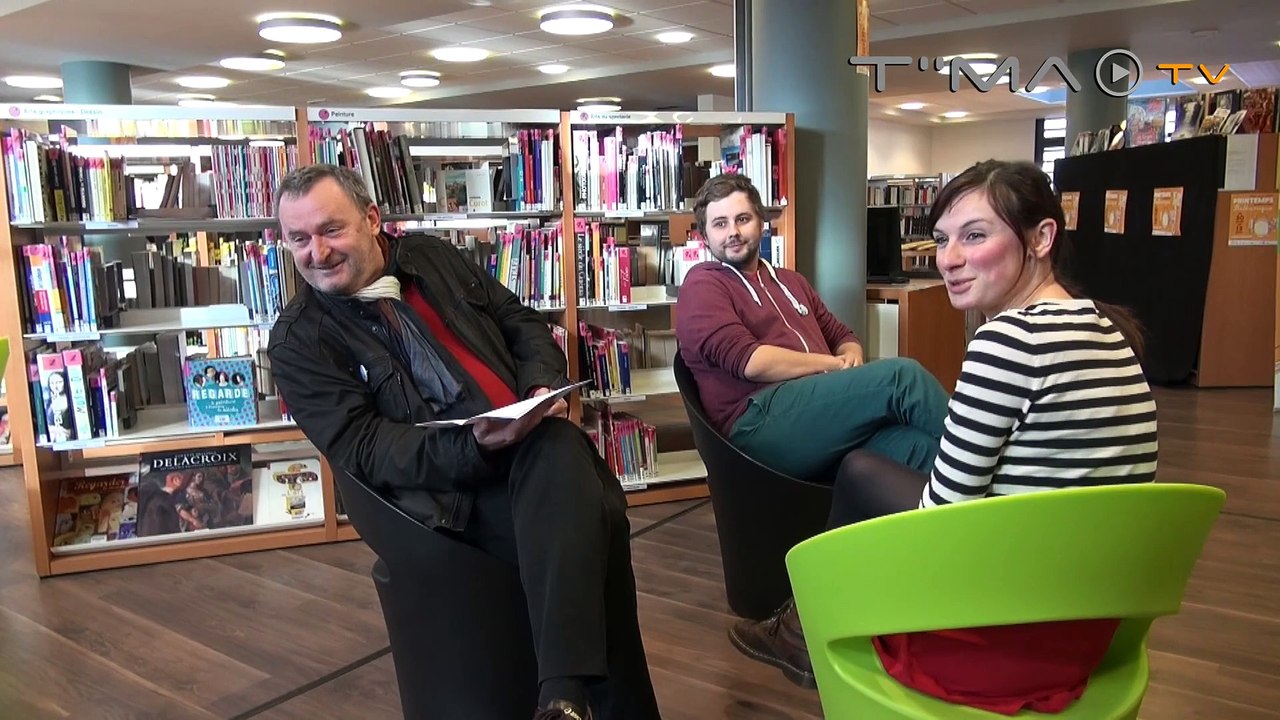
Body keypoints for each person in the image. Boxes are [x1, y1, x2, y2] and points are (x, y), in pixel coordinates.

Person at [731, 159, 1160, 715]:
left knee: (862, 471)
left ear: (1041, 238)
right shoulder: (1110, 330)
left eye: (975, 236)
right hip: (1087, 631)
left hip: (999, 640)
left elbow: (942, 522)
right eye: (941, 239)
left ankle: (801, 631)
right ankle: (799, 625)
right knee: (882, 462)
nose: (949, 259)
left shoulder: (1009, 341)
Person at [266, 164, 660, 720]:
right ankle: (572, 694)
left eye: (331, 230)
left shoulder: (431, 256)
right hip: (446, 496)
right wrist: (480, 447)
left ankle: (564, 698)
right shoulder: (298, 340)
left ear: (373, 220)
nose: (316, 252)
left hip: (530, 450)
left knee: (558, 462)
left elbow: (518, 320)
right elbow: (366, 449)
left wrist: (541, 385)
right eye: (298, 239)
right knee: (591, 514)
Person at [675, 173, 952, 483]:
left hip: (817, 417)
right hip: (758, 423)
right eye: (720, 224)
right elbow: (751, 362)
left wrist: (851, 356)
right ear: (704, 235)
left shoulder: (792, 281)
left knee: (921, 449)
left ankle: (993, 515)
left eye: (742, 219)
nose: (733, 232)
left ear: (761, 223)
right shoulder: (702, 285)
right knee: (903, 377)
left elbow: (842, 335)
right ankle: (1005, 464)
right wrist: (835, 366)